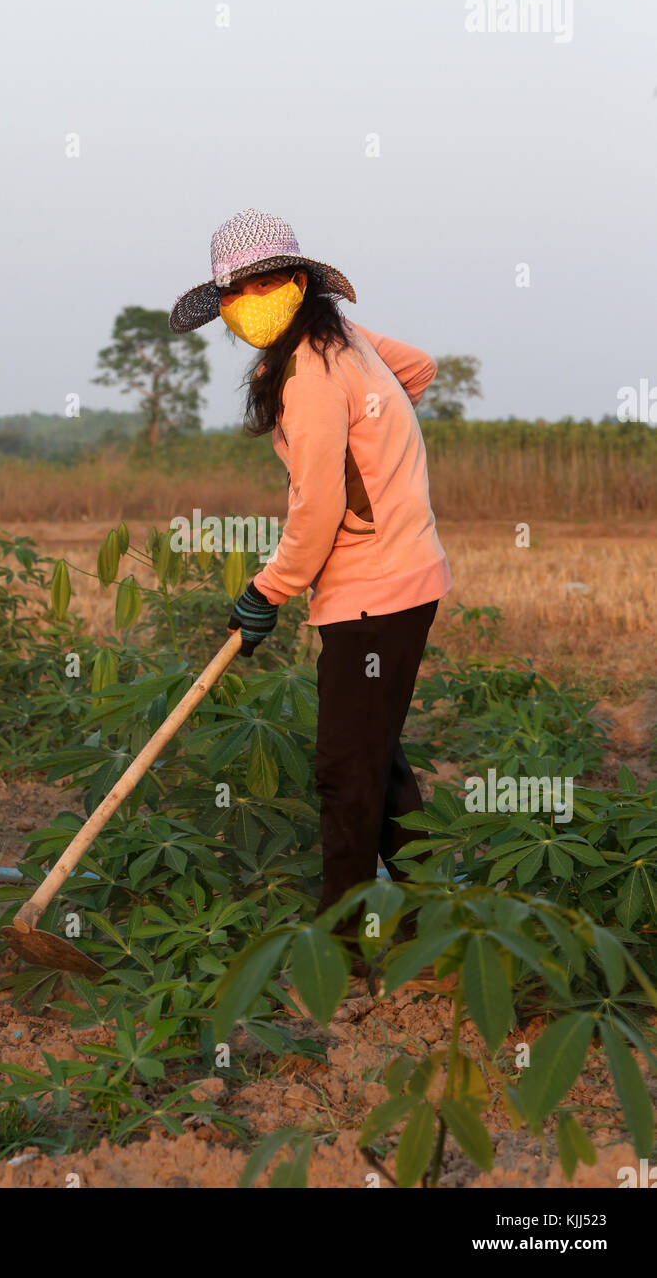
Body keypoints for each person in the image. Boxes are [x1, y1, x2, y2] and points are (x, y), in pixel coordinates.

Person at [169, 208, 453, 975]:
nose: (252, 299)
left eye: (267, 282)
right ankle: (440, 925)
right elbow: (419, 368)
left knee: (345, 773)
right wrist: (381, 448)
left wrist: (268, 589)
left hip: (377, 593)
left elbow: (317, 509)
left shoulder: (314, 371)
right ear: (226, 303)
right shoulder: (343, 342)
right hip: (398, 579)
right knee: (378, 763)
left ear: (298, 283)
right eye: (239, 290)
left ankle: (344, 955)